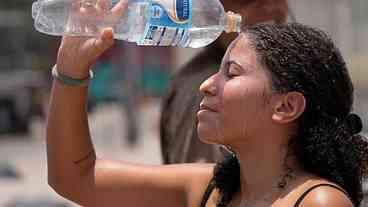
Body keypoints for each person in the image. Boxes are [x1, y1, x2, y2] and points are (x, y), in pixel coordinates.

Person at [46, 1, 368, 206]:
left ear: (285, 107)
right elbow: (75, 178)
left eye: (231, 73)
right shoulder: (207, 188)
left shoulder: (320, 202)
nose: (206, 85)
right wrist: (71, 71)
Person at [160, 0, 289, 163]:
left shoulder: (285, 71)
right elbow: (205, 183)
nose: (269, 6)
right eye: (246, 1)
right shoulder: (203, 91)